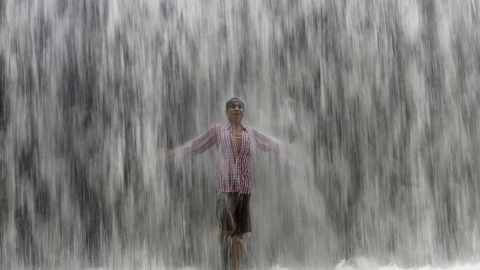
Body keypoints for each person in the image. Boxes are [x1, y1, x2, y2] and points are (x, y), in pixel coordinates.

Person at [173, 97, 279, 270]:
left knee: (240, 234)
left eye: (239, 107)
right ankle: (223, 266)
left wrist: (289, 147)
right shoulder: (218, 130)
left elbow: (269, 143)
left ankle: (234, 267)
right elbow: (198, 145)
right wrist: (174, 152)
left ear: (243, 111)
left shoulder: (250, 132)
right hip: (225, 189)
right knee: (226, 231)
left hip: (244, 189)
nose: (236, 109)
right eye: (232, 106)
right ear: (226, 111)